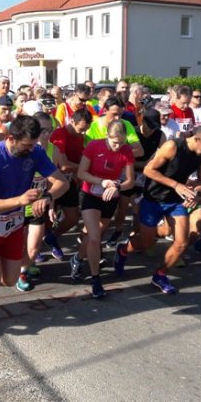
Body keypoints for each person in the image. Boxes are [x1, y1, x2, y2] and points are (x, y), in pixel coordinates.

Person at [0, 116, 68, 338]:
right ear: (11, 139)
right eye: (27, 145)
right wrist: (20, 200)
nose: (32, 149)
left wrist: (48, 197)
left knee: (10, 280)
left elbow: (63, 182)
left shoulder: (36, 151)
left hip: (13, 223)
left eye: (34, 144)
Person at [114, 125, 201, 294]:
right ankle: (122, 250)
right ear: (197, 139)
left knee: (182, 243)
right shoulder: (172, 146)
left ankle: (160, 274)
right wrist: (176, 185)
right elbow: (148, 170)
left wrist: (194, 192)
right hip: (153, 199)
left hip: (176, 201)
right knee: (146, 242)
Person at [75, 120, 135, 297]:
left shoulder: (127, 150)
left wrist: (117, 186)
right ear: (107, 136)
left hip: (110, 197)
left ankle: (77, 258)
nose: (118, 146)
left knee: (97, 233)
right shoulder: (95, 146)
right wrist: (101, 182)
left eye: (122, 142)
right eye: (115, 142)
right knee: (95, 238)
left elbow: (129, 181)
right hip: (90, 196)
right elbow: (81, 173)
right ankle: (96, 279)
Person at [17, 112, 67, 292]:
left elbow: (53, 182)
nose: (46, 134)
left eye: (50, 130)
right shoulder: (23, 149)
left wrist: (51, 204)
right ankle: (21, 270)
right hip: (18, 205)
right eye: (42, 130)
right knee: (20, 244)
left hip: (40, 204)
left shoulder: (54, 150)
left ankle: (24, 268)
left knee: (34, 247)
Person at [43, 107, 92, 260]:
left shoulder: (80, 136)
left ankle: (50, 238)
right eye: (80, 129)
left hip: (70, 181)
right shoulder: (59, 135)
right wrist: (85, 169)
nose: (83, 133)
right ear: (71, 121)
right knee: (46, 219)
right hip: (53, 182)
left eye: (86, 130)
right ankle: (36, 249)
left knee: (72, 218)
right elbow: (63, 165)